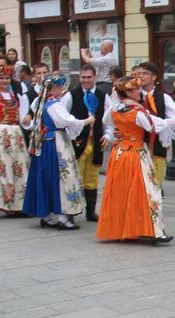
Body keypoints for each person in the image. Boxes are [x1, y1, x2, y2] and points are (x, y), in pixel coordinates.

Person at [96, 77, 175, 242]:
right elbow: (155, 125)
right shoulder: (137, 111)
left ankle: (127, 229)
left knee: (124, 193)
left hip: (119, 155)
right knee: (150, 192)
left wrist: (119, 131)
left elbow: (106, 122)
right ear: (129, 92)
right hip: (137, 155)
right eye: (137, 89)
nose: (140, 91)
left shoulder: (114, 109)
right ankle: (154, 231)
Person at [23, 74, 94, 230]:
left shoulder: (39, 102)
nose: (62, 89)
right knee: (61, 177)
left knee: (46, 176)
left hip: (43, 143)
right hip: (57, 143)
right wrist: (87, 121)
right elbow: (67, 121)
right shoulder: (55, 105)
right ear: (54, 88)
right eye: (60, 87)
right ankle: (62, 216)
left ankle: (47, 215)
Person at [60, 64, 112, 222]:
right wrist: (70, 136)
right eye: (83, 77)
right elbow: (62, 118)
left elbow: (110, 120)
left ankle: (91, 211)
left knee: (92, 177)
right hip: (77, 143)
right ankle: (72, 211)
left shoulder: (103, 96)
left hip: (95, 142)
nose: (86, 80)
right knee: (74, 177)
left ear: (95, 77)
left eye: (89, 77)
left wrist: (108, 135)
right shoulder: (71, 95)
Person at [0, 65, 32, 214]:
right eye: (1, 78)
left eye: (7, 78)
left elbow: (22, 118)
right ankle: (7, 203)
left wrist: (28, 120)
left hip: (16, 134)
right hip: (2, 133)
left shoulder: (17, 96)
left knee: (20, 166)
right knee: (5, 167)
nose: (4, 81)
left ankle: (21, 203)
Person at [137, 61, 175, 188]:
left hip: (156, 148)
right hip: (136, 148)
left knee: (155, 187)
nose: (141, 76)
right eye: (139, 73)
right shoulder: (134, 95)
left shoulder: (163, 98)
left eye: (145, 73)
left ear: (154, 77)